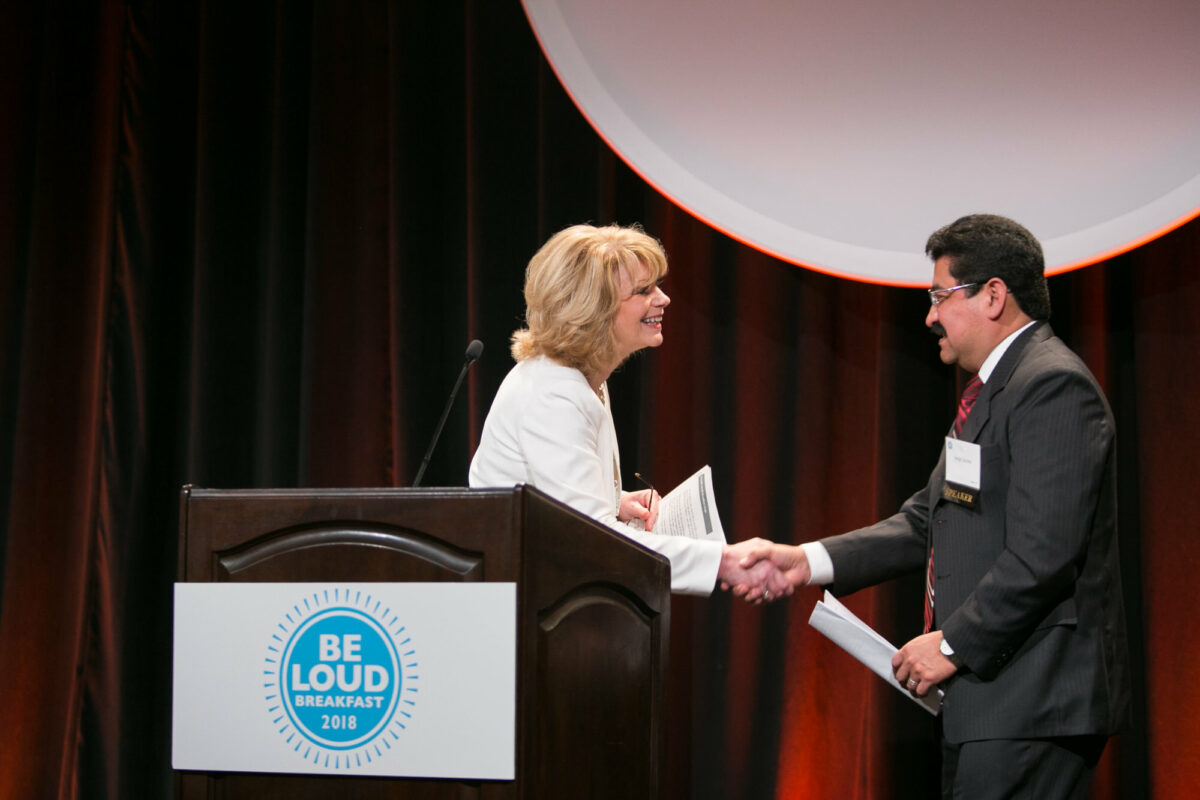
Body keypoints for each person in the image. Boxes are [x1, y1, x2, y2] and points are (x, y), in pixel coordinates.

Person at [739, 214, 1131, 798]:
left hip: (1034, 703)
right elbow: (926, 518)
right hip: (991, 705)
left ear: (993, 295)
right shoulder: (995, 390)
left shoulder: (1052, 387)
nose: (929, 317)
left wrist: (950, 644)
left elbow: (1045, 553)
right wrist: (805, 561)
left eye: (940, 297)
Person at [469, 223, 791, 598]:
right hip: (519, 611)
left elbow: (555, 506)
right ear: (594, 308)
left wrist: (613, 501)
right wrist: (723, 561)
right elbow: (595, 543)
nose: (664, 299)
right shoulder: (553, 394)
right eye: (644, 291)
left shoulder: (584, 377)